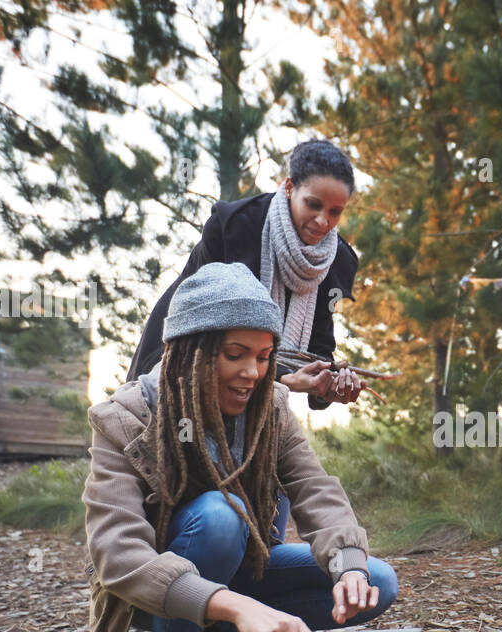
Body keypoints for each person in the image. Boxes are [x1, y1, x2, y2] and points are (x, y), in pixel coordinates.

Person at [83, 261, 398, 632]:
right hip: (155, 591)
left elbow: (314, 486)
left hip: (239, 569)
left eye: (264, 356)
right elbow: (117, 556)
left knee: (379, 579)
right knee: (220, 515)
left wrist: (349, 564)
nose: (252, 372)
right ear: (190, 350)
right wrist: (238, 608)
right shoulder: (125, 418)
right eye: (235, 355)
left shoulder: (270, 407)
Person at [127, 139, 365, 541]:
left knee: (264, 517)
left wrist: (327, 385)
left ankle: (257, 577)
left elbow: (319, 350)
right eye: (313, 204)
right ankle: (178, 584)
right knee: (202, 510)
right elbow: (207, 340)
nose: (323, 221)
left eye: (336, 211)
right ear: (288, 187)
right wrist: (282, 378)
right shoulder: (235, 225)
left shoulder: (338, 260)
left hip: (259, 390)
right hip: (185, 365)